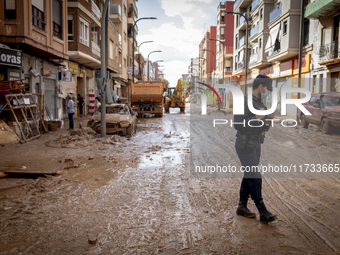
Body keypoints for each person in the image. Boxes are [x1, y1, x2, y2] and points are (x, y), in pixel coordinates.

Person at [234, 74, 277, 222]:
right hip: (245, 144)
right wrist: (255, 118)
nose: (267, 91)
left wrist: (268, 119)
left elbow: (264, 127)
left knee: (249, 174)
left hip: (256, 143)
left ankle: (242, 206)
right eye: (266, 88)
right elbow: (237, 124)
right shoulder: (244, 101)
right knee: (255, 176)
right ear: (260, 87)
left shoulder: (260, 103)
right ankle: (262, 211)